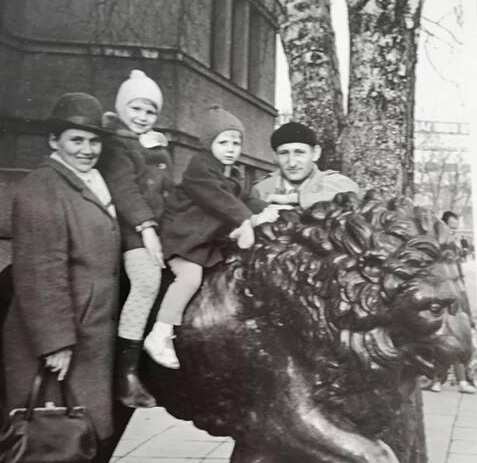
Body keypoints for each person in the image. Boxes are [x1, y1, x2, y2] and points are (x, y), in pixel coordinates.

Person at [0, 93, 120, 463]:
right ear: (53, 141)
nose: (86, 149)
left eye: (93, 141)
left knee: (66, 445)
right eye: (76, 140)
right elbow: (39, 272)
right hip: (57, 341)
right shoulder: (42, 189)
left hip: (86, 336)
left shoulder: (83, 183)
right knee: (62, 450)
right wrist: (55, 343)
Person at [143, 104, 278, 369]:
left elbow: (246, 198)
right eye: (223, 142)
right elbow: (220, 199)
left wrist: (271, 211)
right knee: (190, 278)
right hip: (182, 240)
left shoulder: (234, 172)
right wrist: (249, 219)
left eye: (235, 142)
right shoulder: (200, 168)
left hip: (203, 241)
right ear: (208, 144)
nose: (231, 148)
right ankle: (160, 332)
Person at [99, 69, 173, 408]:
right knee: (146, 281)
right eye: (136, 109)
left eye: (150, 111)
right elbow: (126, 191)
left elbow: (167, 192)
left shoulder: (154, 147)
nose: (142, 118)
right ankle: (125, 373)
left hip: (156, 228)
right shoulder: (117, 146)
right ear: (122, 109)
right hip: (132, 230)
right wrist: (146, 228)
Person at [252, 121, 359, 209]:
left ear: (315, 153)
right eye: (284, 153)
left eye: (299, 153)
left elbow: (351, 198)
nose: (292, 163)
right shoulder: (261, 189)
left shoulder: (336, 183)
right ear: (275, 156)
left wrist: (294, 199)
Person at [426, 211, 476, 394]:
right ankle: (442, 379)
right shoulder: (437, 244)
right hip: (442, 295)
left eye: (456, 228)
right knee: (446, 337)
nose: (454, 231)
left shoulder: (453, 245)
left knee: (456, 335)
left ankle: (452, 380)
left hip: (456, 293)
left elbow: (458, 274)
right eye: (451, 228)